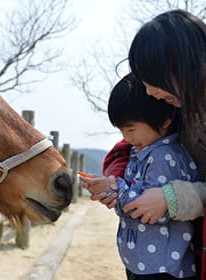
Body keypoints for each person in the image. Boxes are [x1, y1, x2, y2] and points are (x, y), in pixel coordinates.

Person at [86, 9, 206, 280]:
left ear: (180, 65)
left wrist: (171, 197)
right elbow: (128, 151)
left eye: (151, 79)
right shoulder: (178, 108)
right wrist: (114, 182)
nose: (149, 92)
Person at [81, 72, 199, 279]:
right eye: (122, 130)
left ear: (164, 121)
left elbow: (150, 211)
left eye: (131, 129)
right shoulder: (140, 152)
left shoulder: (165, 157)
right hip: (145, 262)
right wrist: (111, 187)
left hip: (163, 268)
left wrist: (116, 188)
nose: (126, 137)